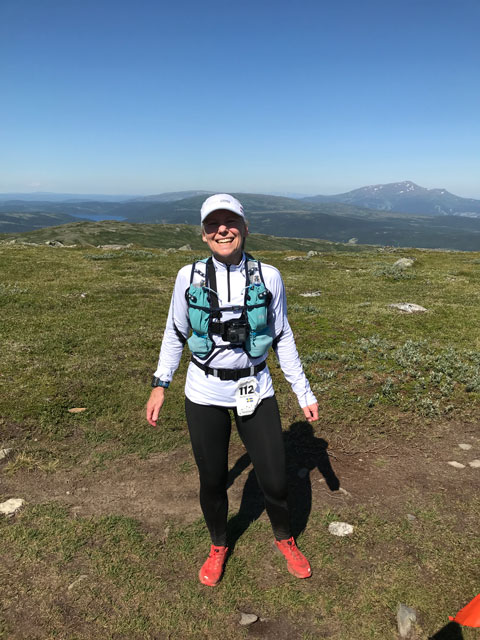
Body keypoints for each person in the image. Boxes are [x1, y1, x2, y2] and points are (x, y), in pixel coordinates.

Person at [146, 193, 318, 587]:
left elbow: (282, 335)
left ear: (244, 228)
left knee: (273, 479)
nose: (222, 230)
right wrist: (160, 384)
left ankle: (285, 538)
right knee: (212, 479)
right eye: (213, 225)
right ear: (204, 235)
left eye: (230, 223)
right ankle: (219, 544)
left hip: (254, 386)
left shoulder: (268, 276)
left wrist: (302, 391)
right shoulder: (187, 277)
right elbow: (175, 332)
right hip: (204, 391)